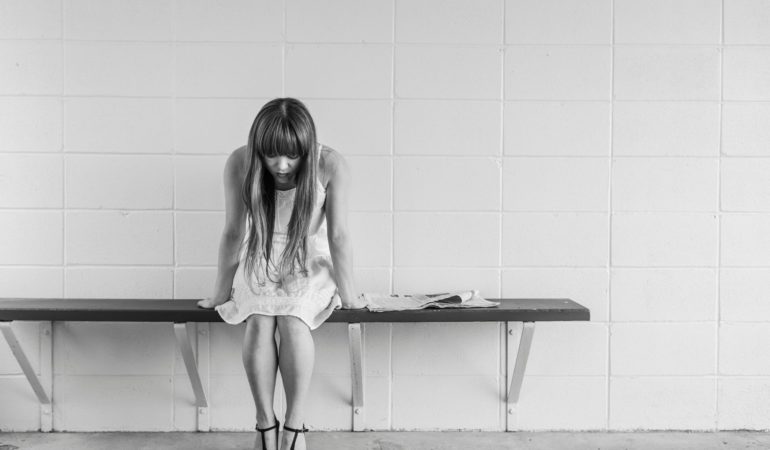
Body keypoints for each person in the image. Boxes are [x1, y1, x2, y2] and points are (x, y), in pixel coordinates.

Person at [197, 97, 367, 450]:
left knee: (293, 319)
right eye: (272, 155)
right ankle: (264, 425)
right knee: (259, 319)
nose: (282, 165)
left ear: (308, 148)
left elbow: (338, 236)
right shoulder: (240, 162)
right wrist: (219, 293)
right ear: (258, 147)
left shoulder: (330, 165)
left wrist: (350, 296)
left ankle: (295, 427)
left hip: (308, 259)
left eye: (292, 155)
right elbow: (233, 232)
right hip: (259, 256)